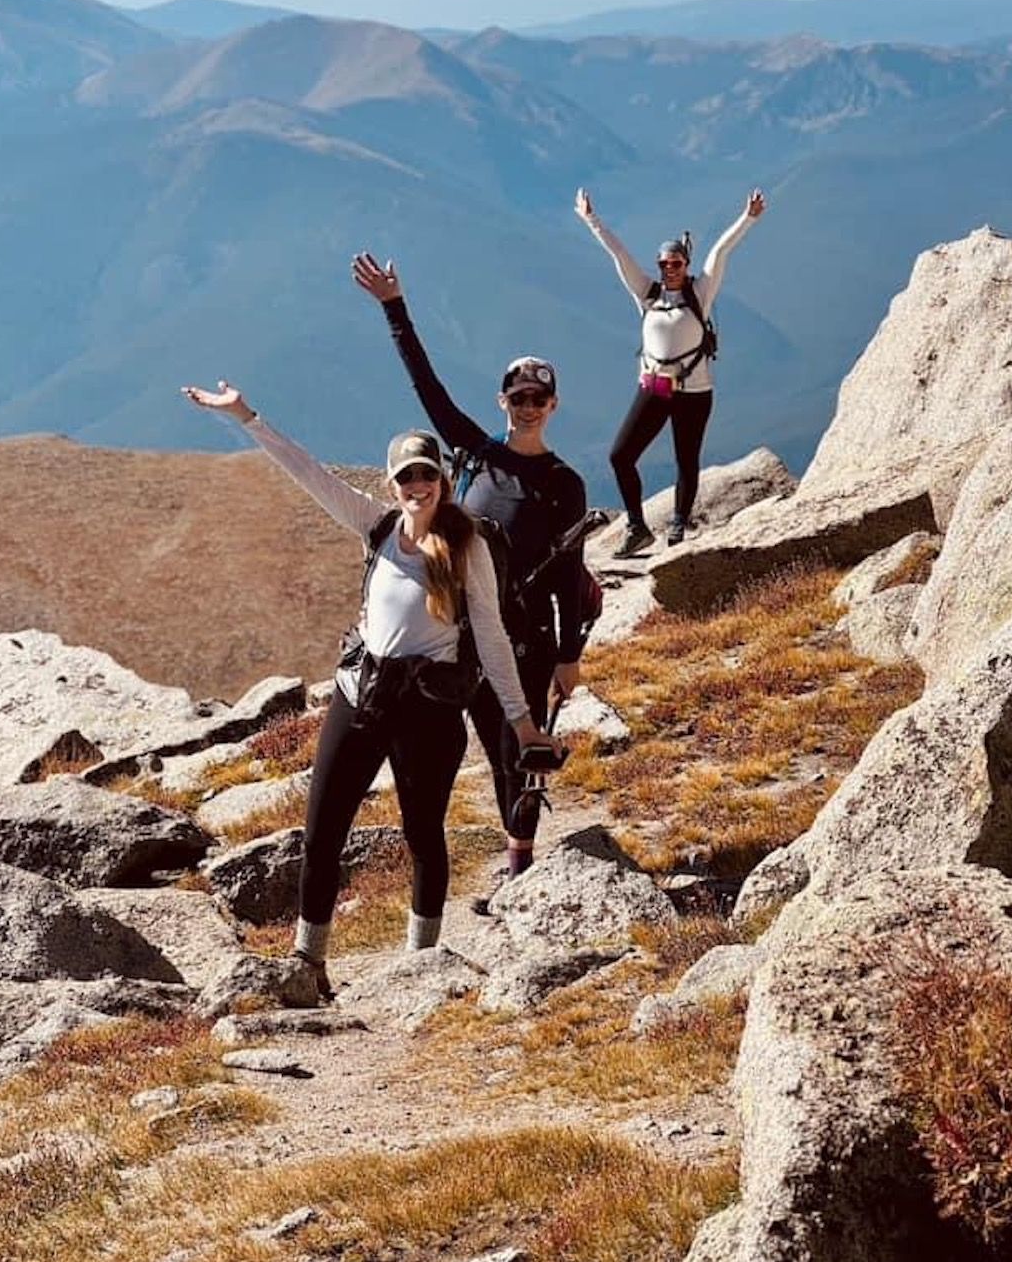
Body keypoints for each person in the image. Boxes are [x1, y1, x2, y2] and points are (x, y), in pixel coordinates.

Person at [181, 378, 559, 997]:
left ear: (440, 477)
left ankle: (419, 965)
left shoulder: (469, 547)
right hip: (361, 696)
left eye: (427, 475)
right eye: (407, 477)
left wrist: (521, 721)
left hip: (430, 710)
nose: (418, 487)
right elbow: (307, 473)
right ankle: (310, 962)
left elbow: (490, 637)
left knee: (423, 835)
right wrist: (246, 416)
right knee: (321, 830)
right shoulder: (376, 524)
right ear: (392, 484)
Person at [352, 251, 587, 883]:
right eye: (518, 397)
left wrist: (569, 656)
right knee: (475, 746)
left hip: (528, 638)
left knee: (518, 746)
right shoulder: (476, 455)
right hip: (463, 640)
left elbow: (570, 573)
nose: (527, 406)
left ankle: (519, 866)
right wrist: (394, 307)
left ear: (554, 404)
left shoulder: (565, 484)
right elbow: (427, 389)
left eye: (539, 398)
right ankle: (443, 865)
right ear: (503, 401)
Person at [574, 186, 767, 556]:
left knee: (686, 458)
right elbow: (619, 253)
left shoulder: (701, 293)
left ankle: (678, 525)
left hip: (694, 391)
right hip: (655, 387)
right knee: (620, 455)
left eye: (675, 263)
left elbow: (721, 251)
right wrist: (590, 219)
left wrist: (749, 218)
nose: (669, 269)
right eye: (663, 264)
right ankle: (637, 526)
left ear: (686, 265)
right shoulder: (647, 295)